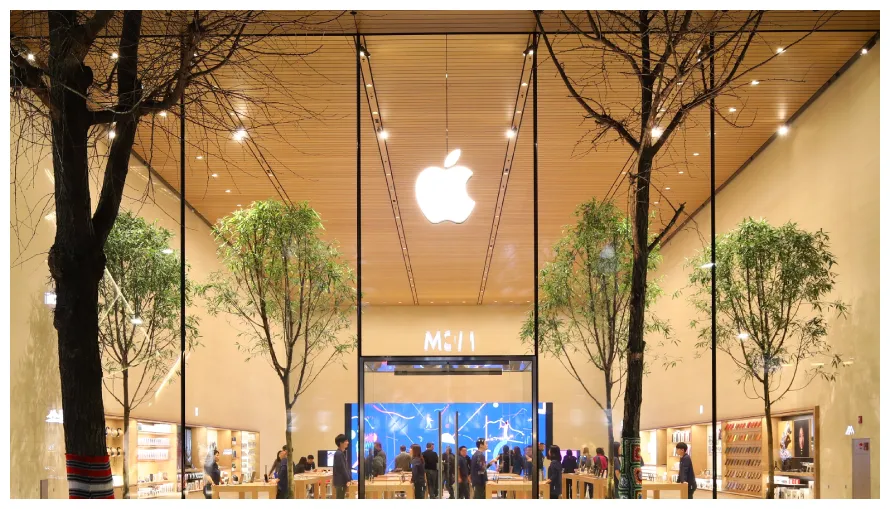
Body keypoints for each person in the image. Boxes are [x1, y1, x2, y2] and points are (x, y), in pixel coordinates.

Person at [333, 434, 351, 499]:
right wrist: (348, 479)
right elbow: (342, 468)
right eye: (346, 441)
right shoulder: (339, 454)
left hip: (341, 481)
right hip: (340, 481)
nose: (348, 443)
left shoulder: (340, 453)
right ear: (341, 443)